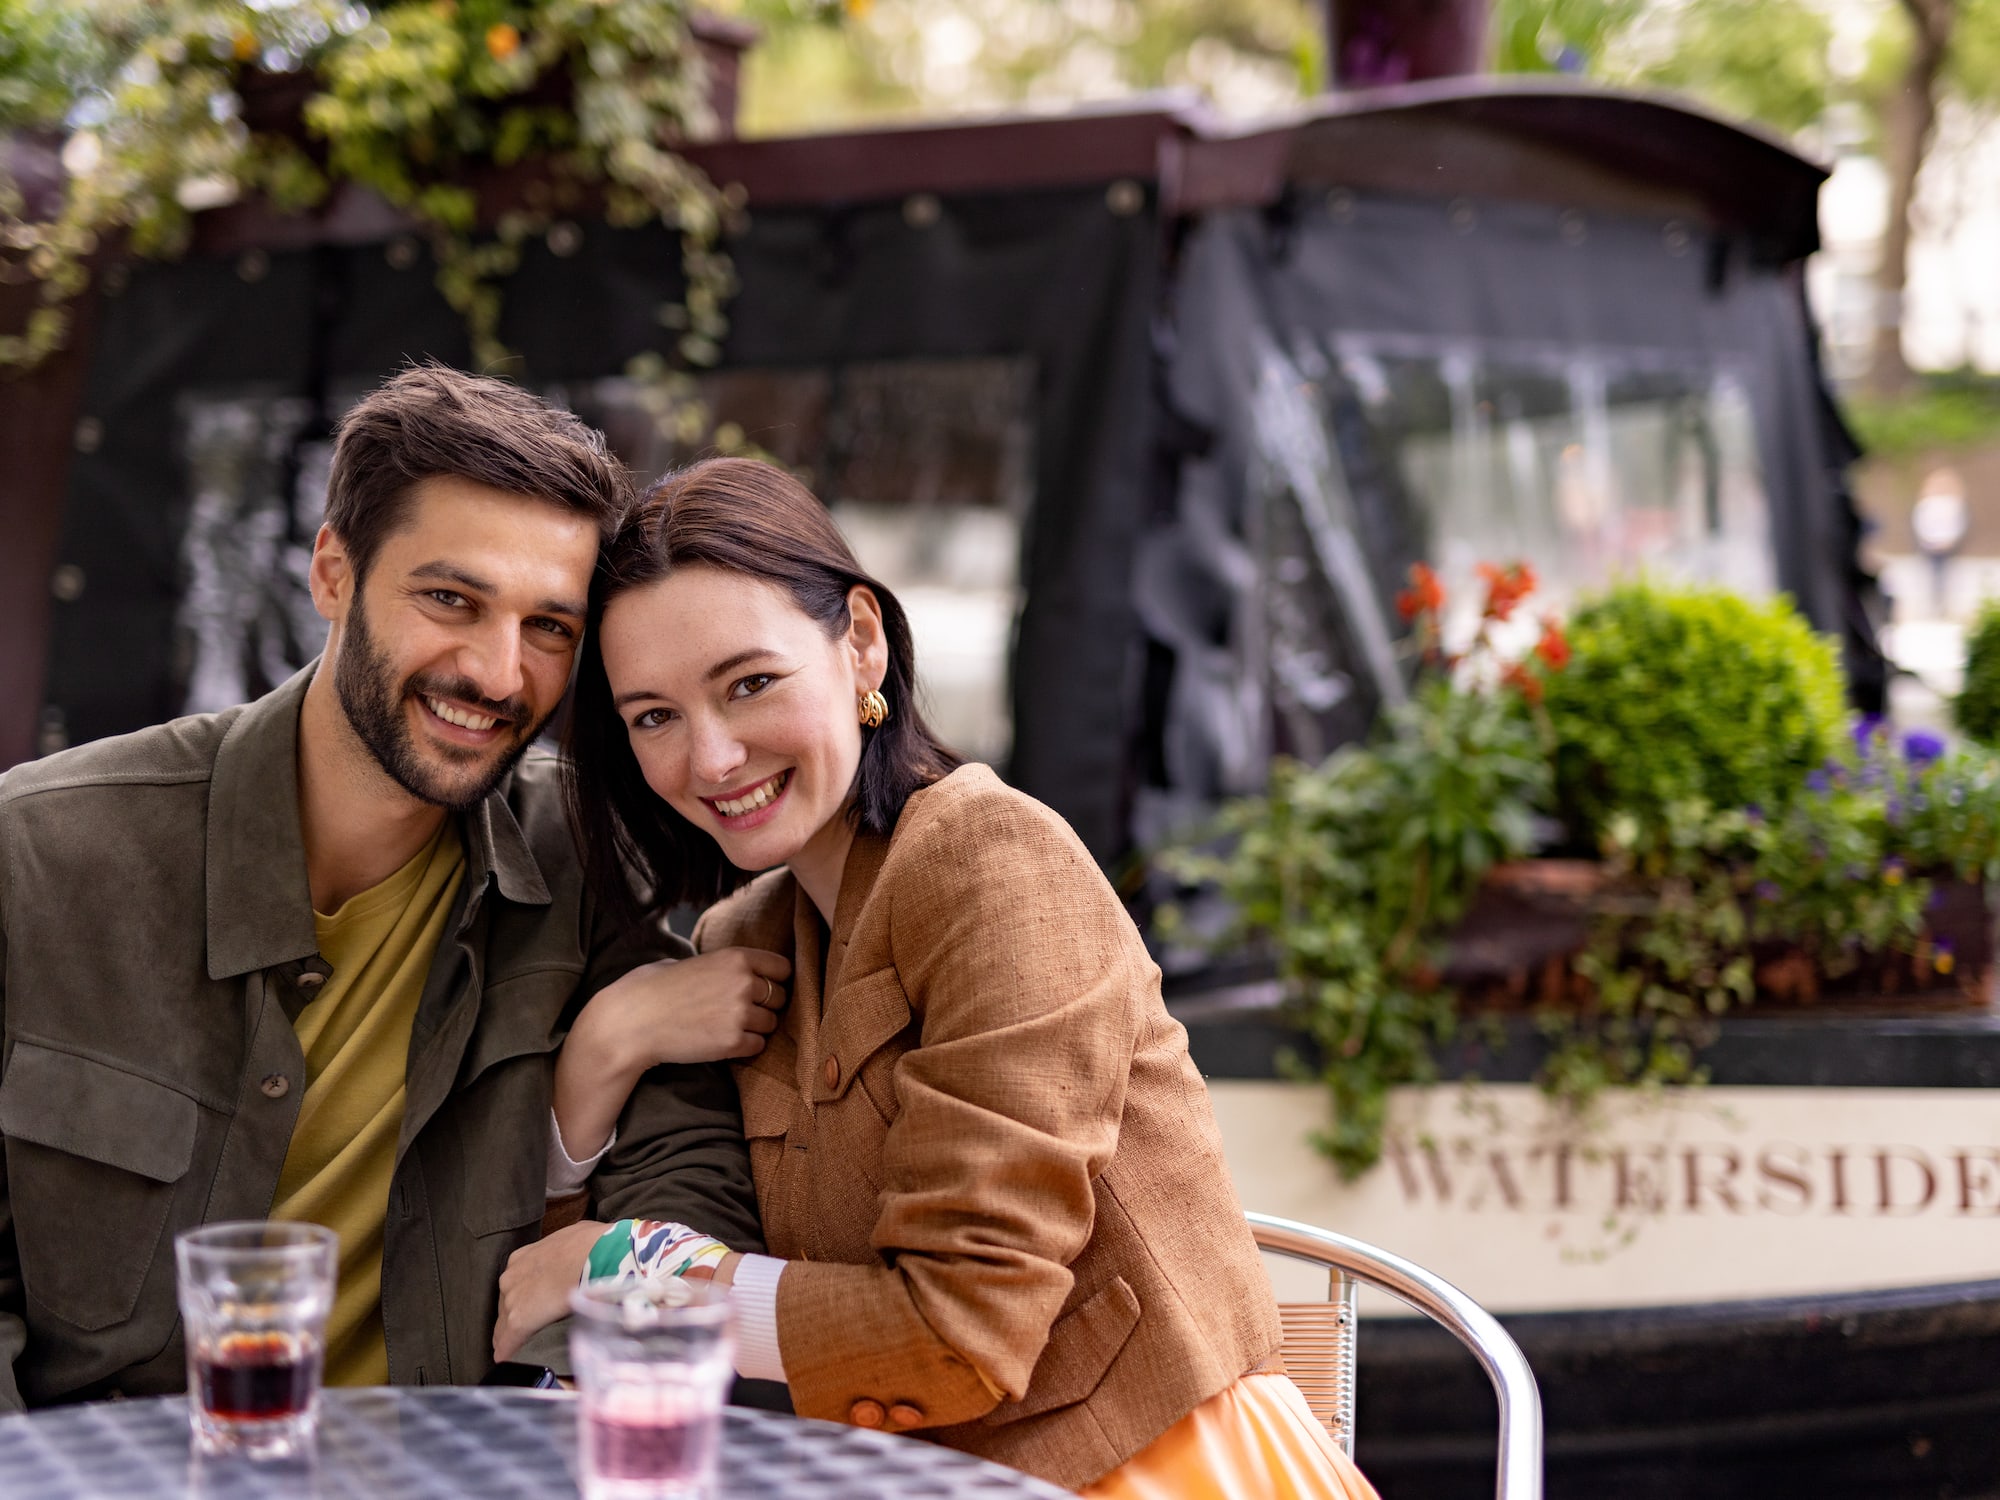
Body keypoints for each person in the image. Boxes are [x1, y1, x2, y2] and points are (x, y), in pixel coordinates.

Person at [495, 457, 1378, 1499]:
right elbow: (587, 1305)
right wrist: (610, 1042)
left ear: (859, 642)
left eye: (750, 683)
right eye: (654, 717)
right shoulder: (752, 934)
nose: (714, 757)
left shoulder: (992, 861)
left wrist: (629, 1270)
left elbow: (961, 1332)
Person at [0, 365, 768, 1410]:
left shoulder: (582, 856)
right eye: (451, 599)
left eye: (549, 626)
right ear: (331, 573)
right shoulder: (40, 855)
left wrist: (603, 1251)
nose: (500, 674)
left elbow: (682, 1179)